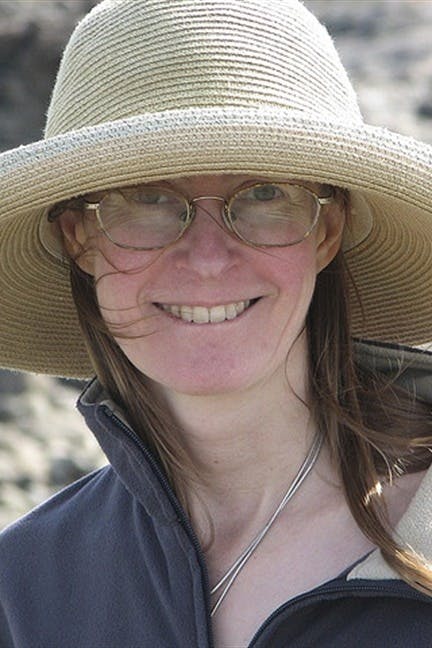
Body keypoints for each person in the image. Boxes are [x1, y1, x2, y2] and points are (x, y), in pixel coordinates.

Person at [0, 0, 432, 646]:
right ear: (78, 239)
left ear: (328, 230)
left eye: (263, 194)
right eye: (147, 197)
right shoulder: (25, 590)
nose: (207, 260)